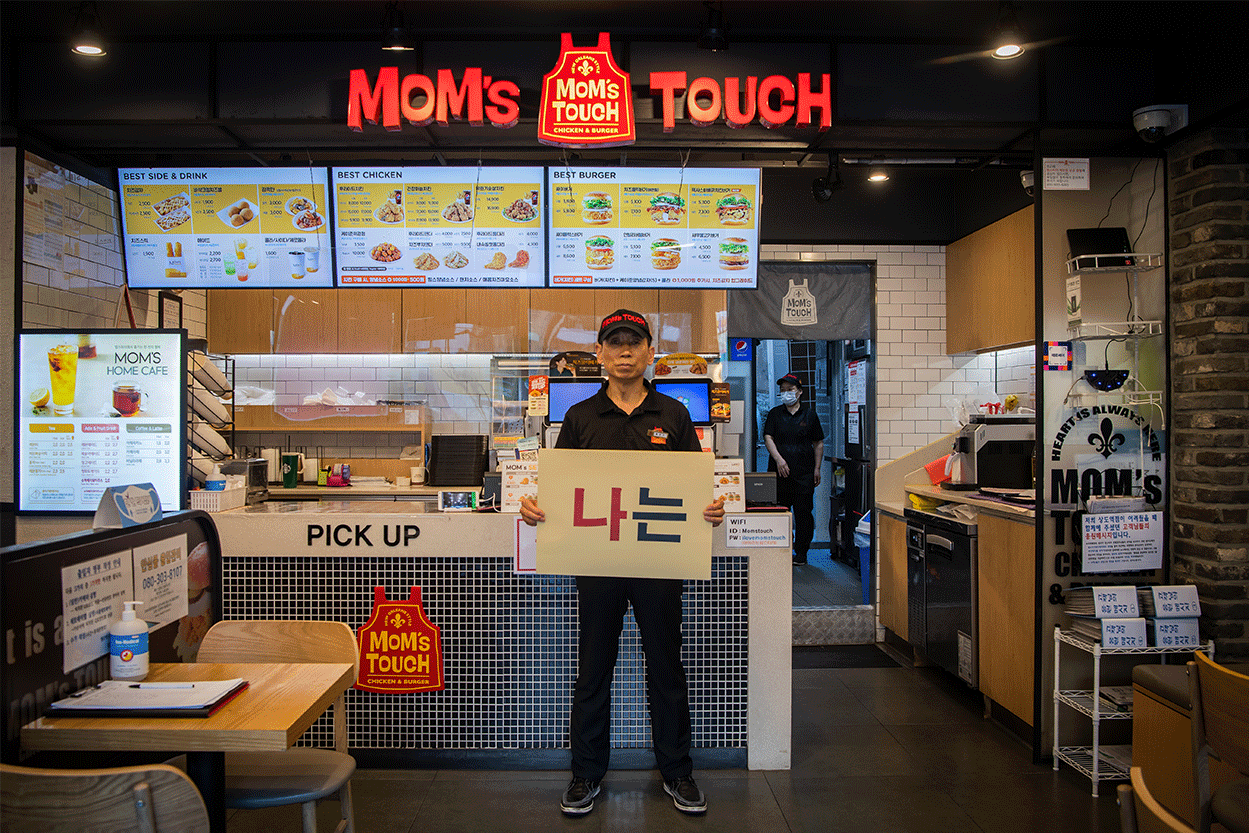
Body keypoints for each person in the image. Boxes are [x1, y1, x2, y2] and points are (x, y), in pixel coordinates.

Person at [520, 309, 725, 817]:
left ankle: (678, 772)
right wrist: (537, 507)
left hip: (659, 563)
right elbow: (562, 491)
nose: (625, 351)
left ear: (650, 352)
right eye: (615, 342)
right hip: (598, 564)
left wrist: (708, 510)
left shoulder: (674, 414)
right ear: (600, 353)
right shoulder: (580, 417)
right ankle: (585, 775)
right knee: (593, 670)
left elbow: (693, 488)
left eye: (635, 342)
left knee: (666, 669)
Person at [763, 373, 825, 565]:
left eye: (790, 389)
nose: (786, 393)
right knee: (780, 513)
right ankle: (782, 549)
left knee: (803, 513)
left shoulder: (810, 415)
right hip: (779, 473)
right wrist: (779, 459)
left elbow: (818, 443)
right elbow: (768, 437)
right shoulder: (775, 414)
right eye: (783, 390)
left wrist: (817, 468)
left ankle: (801, 553)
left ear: (799, 392)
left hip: (804, 473)